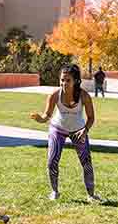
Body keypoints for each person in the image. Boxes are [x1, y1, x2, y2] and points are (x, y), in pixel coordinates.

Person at [30, 63, 101, 203]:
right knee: (52, 161)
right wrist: (39, 119)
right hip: (58, 129)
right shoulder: (54, 95)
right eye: (62, 80)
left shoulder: (84, 96)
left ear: (76, 81)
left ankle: (91, 195)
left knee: (86, 163)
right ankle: (54, 192)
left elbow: (91, 118)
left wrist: (85, 131)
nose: (64, 83)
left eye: (68, 80)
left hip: (78, 130)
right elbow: (47, 116)